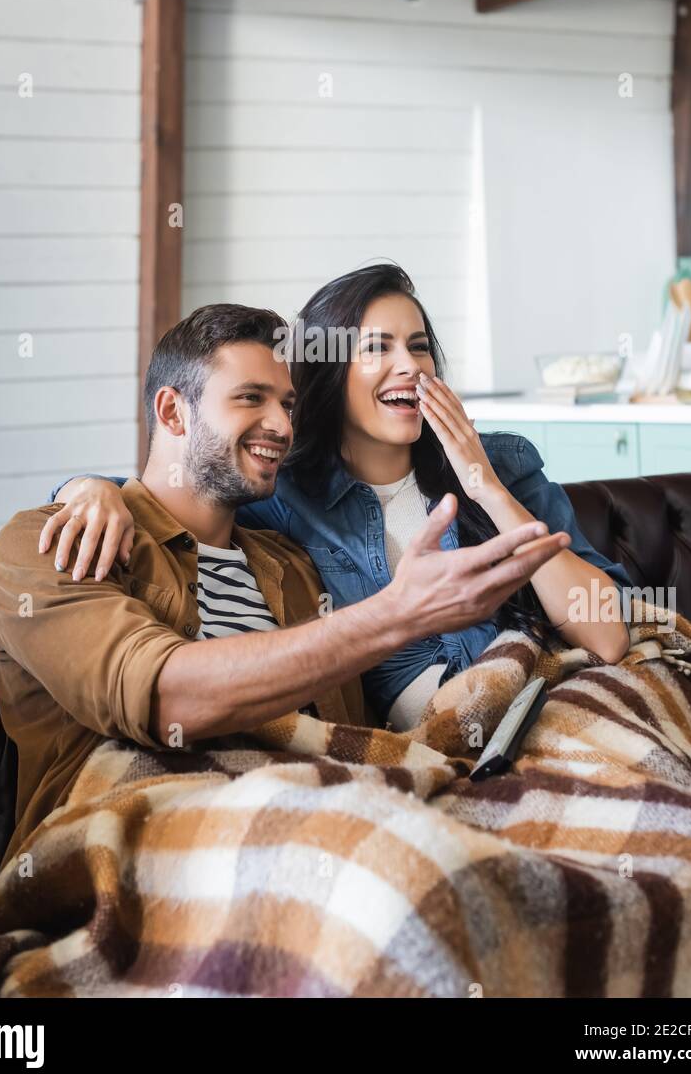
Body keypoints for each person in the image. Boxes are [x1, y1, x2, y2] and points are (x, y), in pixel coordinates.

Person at [0, 302, 570, 883]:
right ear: (173, 411)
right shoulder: (51, 543)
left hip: (327, 828)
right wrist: (398, 613)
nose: (283, 425)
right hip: (143, 847)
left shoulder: (290, 564)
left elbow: (356, 741)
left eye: (288, 404)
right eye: (250, 398)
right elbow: (165, 699)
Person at [44, 266, 633, 731]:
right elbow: (179, 487)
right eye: (377, 347)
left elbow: (607, 636)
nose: (410, 366)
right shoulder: (283, 493)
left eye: (420, 346)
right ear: (329, 375)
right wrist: (86, 487)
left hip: (552, 706)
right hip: (439, 749)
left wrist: (483, 483)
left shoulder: (503, 464)